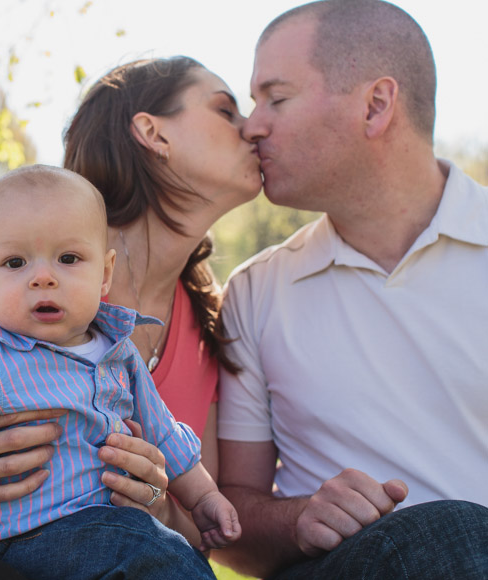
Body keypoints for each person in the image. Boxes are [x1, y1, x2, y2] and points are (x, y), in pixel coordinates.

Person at [0, 56, 262, 578]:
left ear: (104, 273)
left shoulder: (203, 325)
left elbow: (200, 528)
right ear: (153, 134)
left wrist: (156, 503)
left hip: (123, 552)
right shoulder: (2, 259)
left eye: (70, 261)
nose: (255, 126)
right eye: (227, 110)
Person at [214, 1, 488, 579]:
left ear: (376, 105)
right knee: (449, 532)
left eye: (276, 98)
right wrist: (298, 519)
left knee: (458, 536)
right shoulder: (255, 292)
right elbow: (229, 526)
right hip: (336, 570)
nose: (251, 125)